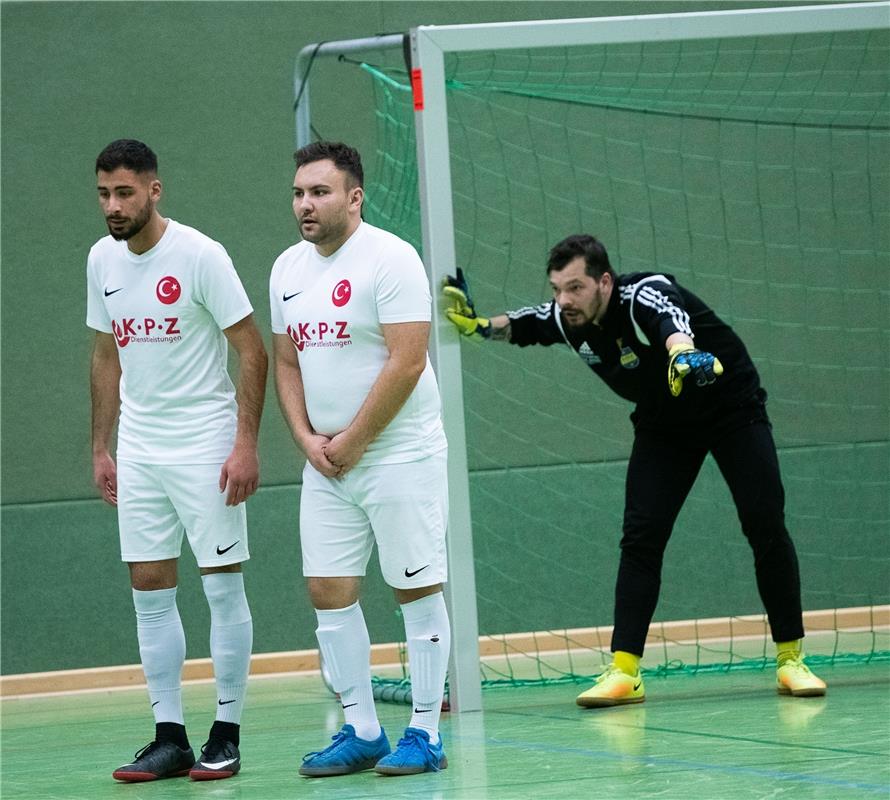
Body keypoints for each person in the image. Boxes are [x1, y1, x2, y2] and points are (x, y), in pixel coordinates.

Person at [443, 234, 827, 707]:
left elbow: (670, 319)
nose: (564, 300)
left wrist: (682, 353)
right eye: (558, 289)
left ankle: (791, 659)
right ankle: (625, 671)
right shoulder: (569, 320)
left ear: (605, 281)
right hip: (665, 425)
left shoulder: (644, 292)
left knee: (765, 525)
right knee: (641, 537)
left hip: (732, 411)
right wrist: (479, 326)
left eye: (576, 288)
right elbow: (525, 324)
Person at [87, 139, 268, 781]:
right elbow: (107, 355)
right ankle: (170, 736)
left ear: (154, 190)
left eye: (125, 192)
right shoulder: (100, 260)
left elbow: (251, 349)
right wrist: (103, 447)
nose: (113, 205)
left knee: (222, 588)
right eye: (105, 193)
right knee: (149, 590)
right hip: (139, 450)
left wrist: (244, 443)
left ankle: (227, 731)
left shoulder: (199, 255)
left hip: (205, 444)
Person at [271, 141, 450, 777]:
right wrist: (305, 438)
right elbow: (287, 359)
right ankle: (363, 727)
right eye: (298, 192)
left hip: (399, 452)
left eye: (319, 192)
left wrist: (354, 439)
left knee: (416, 587)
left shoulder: (391, 258)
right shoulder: (287, 269)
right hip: (326, 464)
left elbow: (407, 360)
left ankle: (425, 732)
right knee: (327, 589)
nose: (305, 204)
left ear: (354, 196)